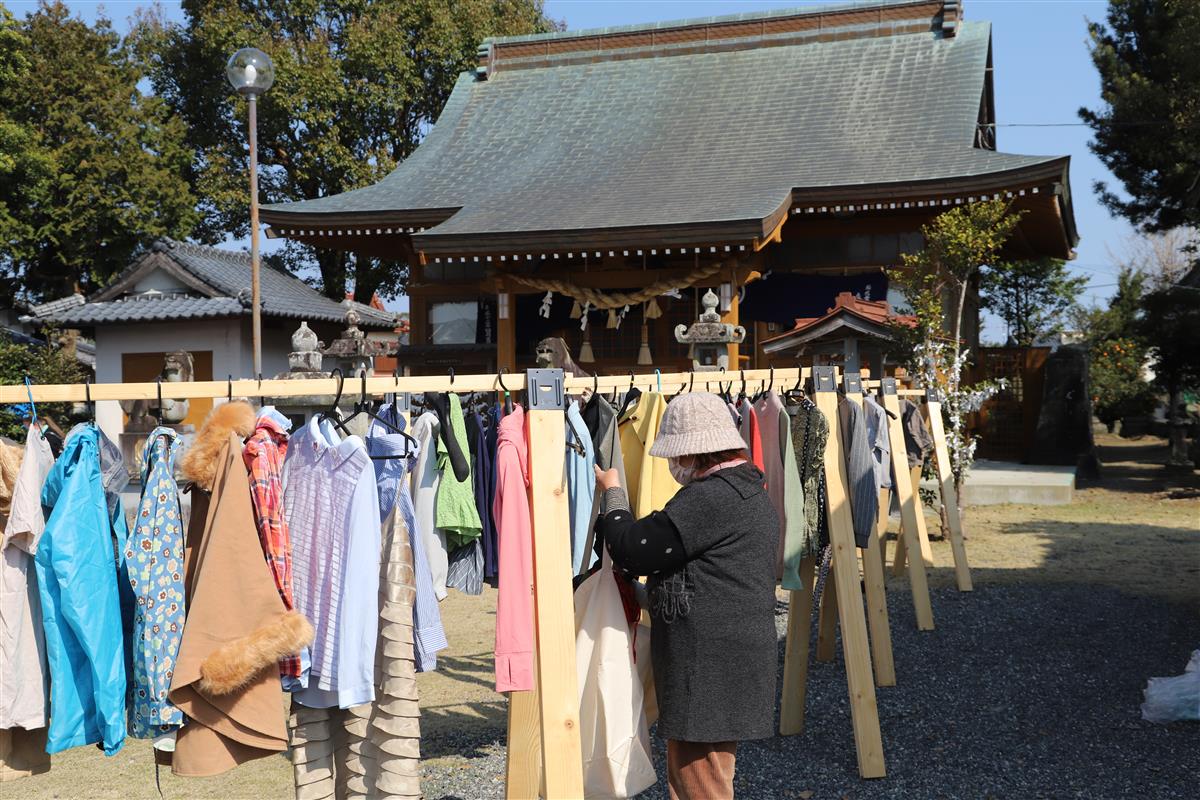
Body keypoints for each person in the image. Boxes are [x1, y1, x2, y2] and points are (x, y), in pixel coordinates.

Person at [594, 391, 779, 800]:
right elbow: (706, 575)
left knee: (701, 780)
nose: (672, 466)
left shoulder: (711, 498)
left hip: (709, 665)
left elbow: (635, 547)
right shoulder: (747, 489)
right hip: (731, 658)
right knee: (705, 772)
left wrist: (613, 493)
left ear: (694, 454)